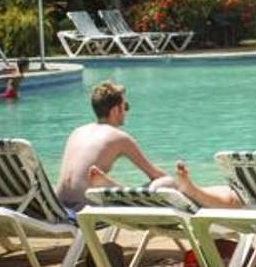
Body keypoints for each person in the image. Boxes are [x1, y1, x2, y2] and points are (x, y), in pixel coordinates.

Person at [57, 81, 171, 211]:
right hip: (87, 208)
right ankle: (109, 185)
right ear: (115, 110)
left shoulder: (76, 132)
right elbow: (154, 174)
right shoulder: (119, 137)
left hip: (59, 207)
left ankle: (109, 185)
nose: (126, 111)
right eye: (125, 106)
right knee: (167, 182)